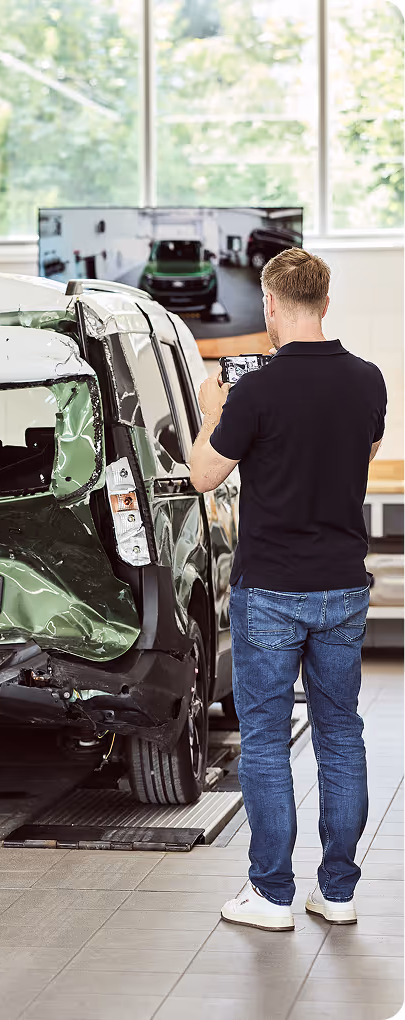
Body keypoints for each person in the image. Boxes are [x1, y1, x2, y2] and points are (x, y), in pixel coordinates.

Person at [189, 247, 386, 932]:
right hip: (343, 585)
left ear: (270, 304)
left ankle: (272, 896)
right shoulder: (367, 381)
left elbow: (203, 475)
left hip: (271, 587)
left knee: (267, 740)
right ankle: (338, 893)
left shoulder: (255, 391)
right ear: (325, 302)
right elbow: (359, 457)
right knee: (341, 736)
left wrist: (211, 411)